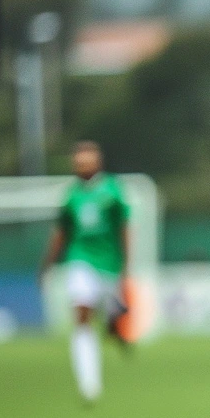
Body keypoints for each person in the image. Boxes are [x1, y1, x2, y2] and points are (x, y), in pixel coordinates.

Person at [38, 141, 133, 404]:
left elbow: (124, 228)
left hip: (109, 264)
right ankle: (89, 383)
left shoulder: (113, 191)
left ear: (97, 163)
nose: (81, 167)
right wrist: (47, 264)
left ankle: (116, 330)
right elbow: (61, 232)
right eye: (78, 163)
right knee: (82, 317)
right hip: (80, 261)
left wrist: (126, 266)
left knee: (110, 319)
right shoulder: (71, 196)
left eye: (86, 162)